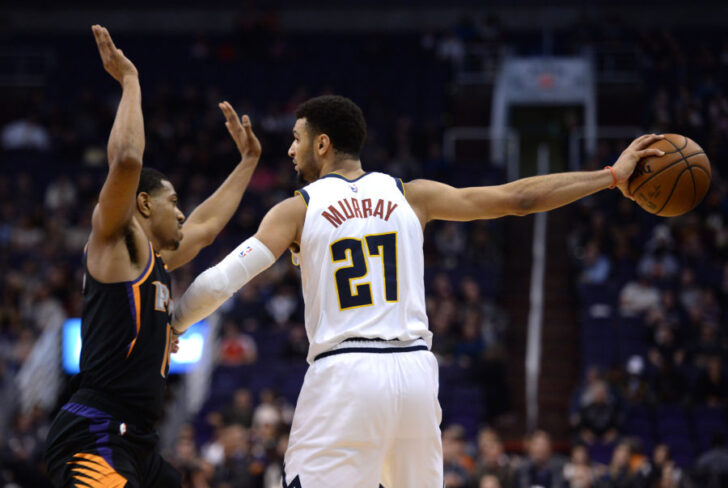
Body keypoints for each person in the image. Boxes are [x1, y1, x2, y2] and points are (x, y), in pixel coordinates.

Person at [171, 94, 665, 486]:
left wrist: (173, 322)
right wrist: (609, 177)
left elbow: (224, 280)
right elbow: (518, 199)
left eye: (297, 139)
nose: (290, 150)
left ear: (322, 144)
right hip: (413, 376)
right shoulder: (412, 194)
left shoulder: (296, 207)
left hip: (344, 374)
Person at [44, 25, 262, 487]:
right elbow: (125, 160)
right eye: (173, 201)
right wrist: (130, 82)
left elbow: (203, 230)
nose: (182, 212)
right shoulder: (117, 241)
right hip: (94, 432)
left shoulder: (156, 260)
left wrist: (246, 164)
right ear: (143, 204)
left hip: (139, 440)